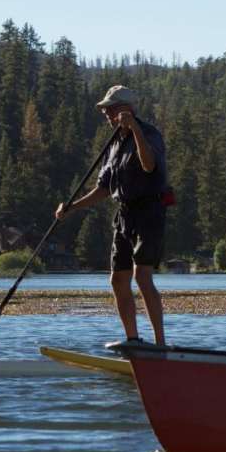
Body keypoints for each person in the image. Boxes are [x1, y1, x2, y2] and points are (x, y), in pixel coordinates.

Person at [54, 85, 168, 350]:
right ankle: (133, 340)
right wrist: (72, 207)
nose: (106, 113)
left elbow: (149, 165)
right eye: (105, 109)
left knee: (142, 276)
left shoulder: (150, 134)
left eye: (110, 109)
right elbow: (103, 189)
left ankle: (161, 344)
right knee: (118, 279)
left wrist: (135, 130)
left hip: (149, 213)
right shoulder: (113, 144)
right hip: (124, 215)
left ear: (125, 110)